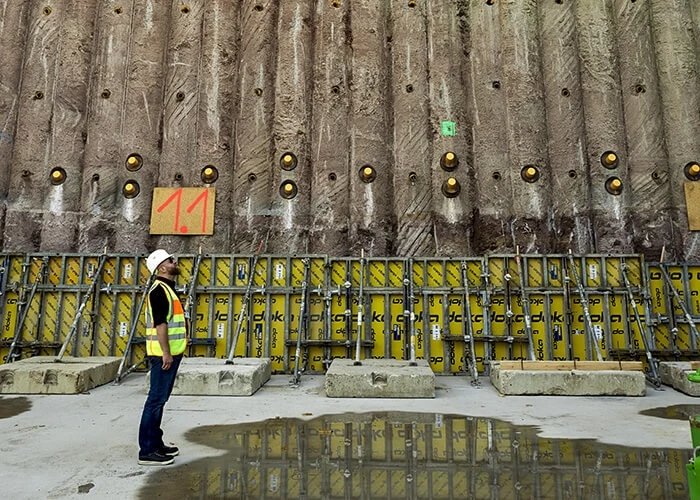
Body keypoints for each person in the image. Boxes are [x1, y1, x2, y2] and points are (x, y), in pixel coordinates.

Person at [137, 249, 187, 466]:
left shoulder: (167, 289)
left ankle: (156, 443)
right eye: (169, 260)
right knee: (155, 400)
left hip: (171, 353)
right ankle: (147, 451)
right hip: (163, 355)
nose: (174, 261)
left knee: (160, 400)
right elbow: (161, 325)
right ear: (161, 267)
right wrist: (166, 352)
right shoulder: (159, 291)